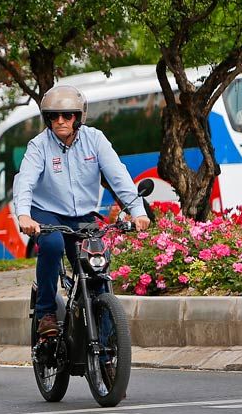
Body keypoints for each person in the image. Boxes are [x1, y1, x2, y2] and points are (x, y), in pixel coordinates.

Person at [12, 85, 151, 338]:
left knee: (97, 268)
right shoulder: (38, 146)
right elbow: (25, 182)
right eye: (54, 116)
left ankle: (108, 347)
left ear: (78, 117)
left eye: (67, 115)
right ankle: (46, 313)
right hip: (45, 212)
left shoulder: (95, 139)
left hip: (83, 216)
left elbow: (118, 176)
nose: (60, 121)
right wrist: (24, 216)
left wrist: (138, 211)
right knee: (52, 245)